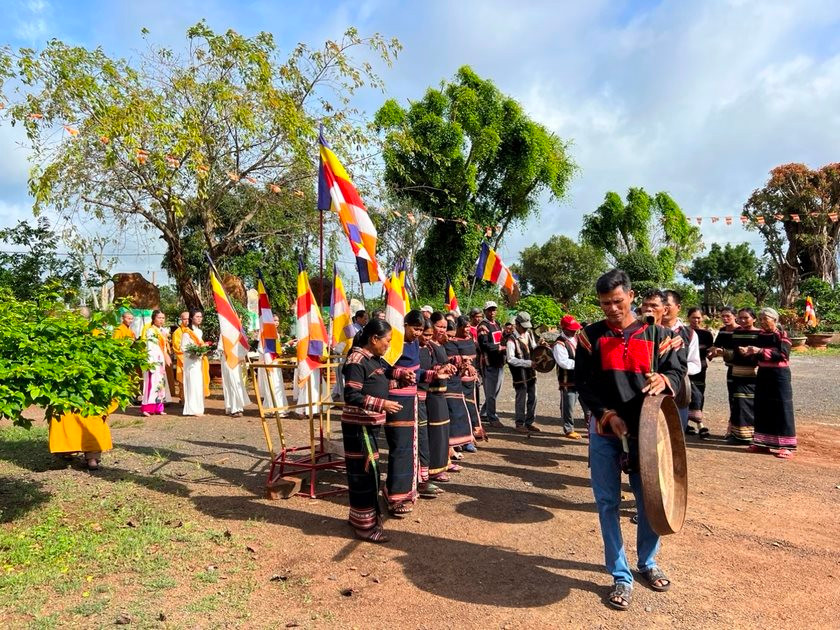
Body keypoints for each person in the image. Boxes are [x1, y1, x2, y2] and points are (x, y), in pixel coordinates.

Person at [575, 269, 685, 610]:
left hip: (648, 433)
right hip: (606, 432)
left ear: (632, 296)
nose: (611, 308)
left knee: (649, 501)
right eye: (605, 303)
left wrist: (664, 380)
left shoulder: (660, 335)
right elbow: (584, 384)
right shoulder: (589, 337)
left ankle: (648, 563)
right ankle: (620, 575)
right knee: (607, 503)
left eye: (617, 301)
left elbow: (678, 373)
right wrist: (607, 415)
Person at [341, 319, 402, 542]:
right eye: (387, 341)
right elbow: (351, 395)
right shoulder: (356, 361)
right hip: (359, 425)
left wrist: (402, 376)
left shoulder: (373, 358)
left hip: (369, 424)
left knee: (366, 472)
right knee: (366, 474)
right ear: (374, 339)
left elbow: (387, 373)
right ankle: (364, 526)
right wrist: (382, 404)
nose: (388, 345)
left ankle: (360, 517)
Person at [383, 310, 431, 515]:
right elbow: (380, 367)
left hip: (412, 399)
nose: (418, 333)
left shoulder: (413, 344)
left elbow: (415, 372)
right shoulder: (393, 342)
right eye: (415, 329)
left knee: (411, 448)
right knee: (400, 447)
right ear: (404, 324)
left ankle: (407, 490)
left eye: (421, 330)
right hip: (395, 400)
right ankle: (394, 495)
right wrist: (399, 373)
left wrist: (433, 374)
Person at [749, 307, 797, 458]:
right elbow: (757, 356)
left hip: (779, 375)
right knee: (762, 405)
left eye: (766, 319)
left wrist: (759, 351)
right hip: (764, 374)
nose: (763, 322)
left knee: (782, 406)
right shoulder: (760, 335)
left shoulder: (782, 335)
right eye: (761, 319)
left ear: (775, 320)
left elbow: (783, 355)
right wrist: (750, 353)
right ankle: (762, 443)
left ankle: (786, 446)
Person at [662, 290, 701, 432]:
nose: (664, 309)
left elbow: (695, 364)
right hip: (651, 387)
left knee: (676, 432)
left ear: (678, 307)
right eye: (661, 304)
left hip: (678, 390)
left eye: (668, 305)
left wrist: (675, 370)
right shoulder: (648, 329)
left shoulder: (689, 334)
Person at [721, 307, 761, 444]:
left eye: (746, 318)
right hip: (737, 372)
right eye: (740, 318)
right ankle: (738, 435)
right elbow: (732, 352)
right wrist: (725, 353)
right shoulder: (736, 333)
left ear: (754, 319)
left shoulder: (760, 333)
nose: (743, 320)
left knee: (753, 403)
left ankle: (754, 435)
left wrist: (753, 353)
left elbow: (764, 352)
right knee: (737, 402)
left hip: (753, 373)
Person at [426, 313, 456, 482]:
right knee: (435, 431)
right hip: (431, 393)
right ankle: (433, 468)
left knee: (443, 429)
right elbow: (427, 367)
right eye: (439, 326)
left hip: (441, 392)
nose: (442, 330)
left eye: (445, 327)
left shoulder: (440, 344)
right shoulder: (428, 346)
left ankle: (443, 462)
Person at [439, 315, 474, 453]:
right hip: (442, 385)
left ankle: (462, 441)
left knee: (461, 411)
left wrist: (464, 363)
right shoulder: (434, 346)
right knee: (448, 415)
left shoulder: (449, 343)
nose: (450, 339)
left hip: (456, 381)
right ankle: (449, 447)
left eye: (452, 337)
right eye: (448, 335)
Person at [507, 311, 539, 433]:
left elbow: (534, 348)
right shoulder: (511, 339)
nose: (525, 329)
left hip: (531, 373)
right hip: (519, 374)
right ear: (517, 324)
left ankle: (529, 422)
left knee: (533, 397)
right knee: (521, 398)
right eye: (523, 327)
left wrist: (541, 347)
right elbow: (510, 359)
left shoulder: (529, 334)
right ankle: (519, 423)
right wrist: (527, 363)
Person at [709, 306, 738, 436]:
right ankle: (731, 428)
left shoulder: (741, 331)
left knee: (743, 399)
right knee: (732, 398)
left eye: (728, 316)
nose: (725, 319)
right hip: (731, 369)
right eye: (723, 316)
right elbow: (716, 347)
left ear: (734, 316)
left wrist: (724, 352)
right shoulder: (722, 331)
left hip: (744, 369)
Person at [552, 314, 583, 439]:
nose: (574, 331)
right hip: (567, 380)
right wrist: (581, 365)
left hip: (580, 379)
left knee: (587, 406)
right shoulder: (559, 344)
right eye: (571, 329)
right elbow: (563, 362)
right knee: (568, 406)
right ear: (564, 329)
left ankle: (588, 425)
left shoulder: (576, 339)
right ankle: (568, 429)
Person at [455, 316, 484, 447]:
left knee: (473, 406)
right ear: (459, 327)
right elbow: (452, 358)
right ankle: (464, 438)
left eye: (468, 327)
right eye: (464, 327)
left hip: (472, 381)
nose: (467, 329)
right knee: (462, 409)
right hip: (459, 380)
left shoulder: (470, 339)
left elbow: (476, 357)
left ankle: (474, 433)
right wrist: (465, 364)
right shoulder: (453, 341)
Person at [477, 301, 506, 428]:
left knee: (496, 391)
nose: (492, 312)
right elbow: (484, 344)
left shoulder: (497, 324)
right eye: (490, 310)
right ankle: (492, 417)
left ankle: (484, 412)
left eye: (494, 309)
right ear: (485, 311)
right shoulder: (483, 326)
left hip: (499, 362)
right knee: (491, 392)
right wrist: (498, 348)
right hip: (489, 362)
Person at [687, 307, 714, 435]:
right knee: (684, 394)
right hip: (685, 369)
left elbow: (710, 352)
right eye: (693, 317)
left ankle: (699, 422)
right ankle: (684, 422)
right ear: (688, 318)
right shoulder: (684, 332)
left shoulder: (707, 334)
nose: (696, 320)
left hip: (701, 368)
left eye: (698, 317)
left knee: (699, 394)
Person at [140, 310, 172, 416]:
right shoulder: (150, 331)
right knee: (151, 383)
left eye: (163, 318)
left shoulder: (162, 330)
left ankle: (158, 407)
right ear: (153, 319)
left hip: (160, 360)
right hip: (152, 360)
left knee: (159, 384)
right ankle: (147, 407)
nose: (161, 320)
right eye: (159, 317)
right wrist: (150, 362)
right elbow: (150, 347)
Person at [181, 310, 210, 416]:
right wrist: (194, 352)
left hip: (198, 361)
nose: (199, 318)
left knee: (198, 384)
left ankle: (199, 408)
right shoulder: (187, 332)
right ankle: (191, 409)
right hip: (190, 361)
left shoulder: (199, 331)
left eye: (201, 317)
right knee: (192, 383)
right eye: (197, 316)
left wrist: (202, 350)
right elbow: (184, 348)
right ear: (191, 318)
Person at [171, 311, 190, 401]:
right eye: (184, 319)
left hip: (194, 360)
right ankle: (183, 399)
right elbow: (177, 348)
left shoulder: (193, 330)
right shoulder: (177, 332)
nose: (187, 321)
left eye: (188, 318)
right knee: (183, 380)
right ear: (181, 320)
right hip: (183, 360)